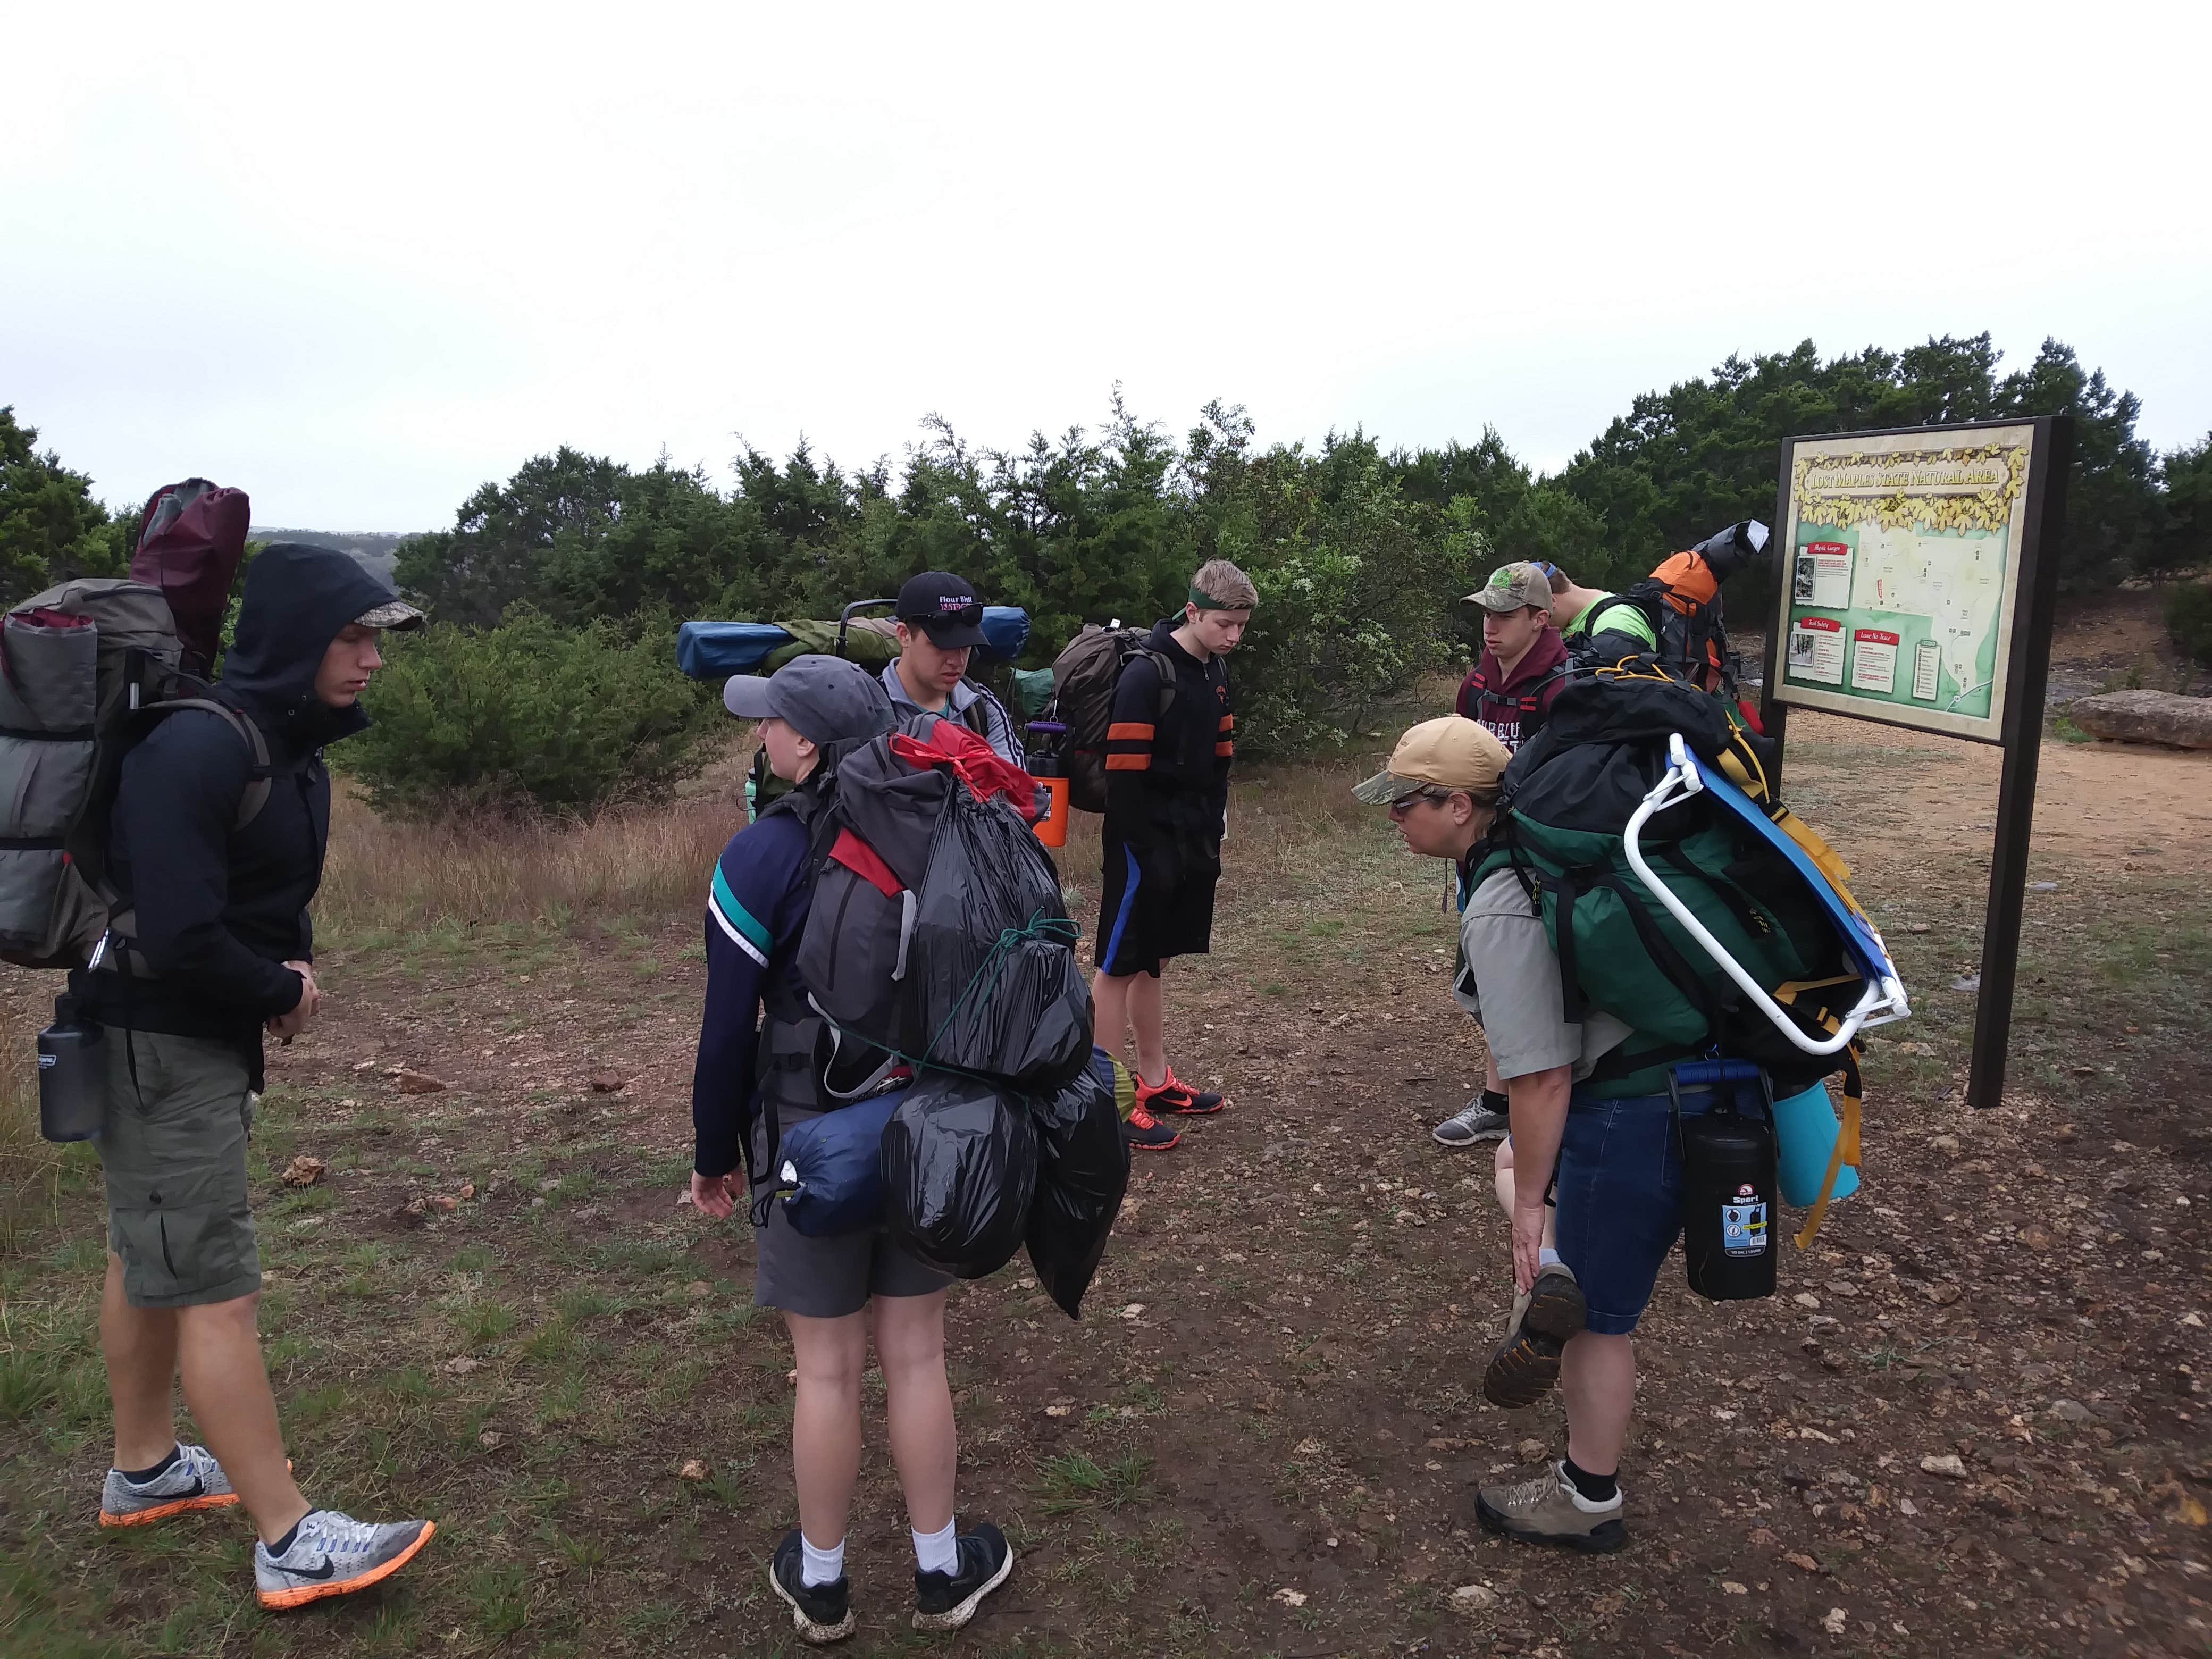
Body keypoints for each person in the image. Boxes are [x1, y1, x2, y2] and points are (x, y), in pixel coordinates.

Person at [69, 543, 435, 1608]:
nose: (370, 659)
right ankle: (289, 1537)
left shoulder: (278, 742)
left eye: (376, 639)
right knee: (213, 1288)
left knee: (150, 1251)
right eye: (352, 636)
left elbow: (251, 893)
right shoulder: (196, 748)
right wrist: (276, 993)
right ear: (293, 637)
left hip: (178, 1037)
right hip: (158, 1040)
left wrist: (283, 968)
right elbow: (182, 935)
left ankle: (145, 1471)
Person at [690, 655, 1013, 1645]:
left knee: (825, 1370)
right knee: (917, 1355)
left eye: (772, 723)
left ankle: (822, 1582)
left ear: (807, 743)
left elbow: (724, 1030)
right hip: (924, 1131)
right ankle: (940, 1567)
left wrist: (713, 1153)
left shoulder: (761, 855)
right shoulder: (941, 830)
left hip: (803, 1142)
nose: (760, 737)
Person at [1364, 714, 1714, 1555]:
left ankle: (1587, 1497)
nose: (1394, 819)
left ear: (1457, 805)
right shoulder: (1542, 848)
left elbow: (1540, 1075)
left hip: (1633, 1109)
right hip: (1677, 1078)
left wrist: (1528, 1209)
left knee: (1599, 1322)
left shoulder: (1502, 897)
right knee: (1521, 1161)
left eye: (1405, 804)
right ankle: (1551, 1279)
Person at [1092, 559, 1255, 1149]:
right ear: (1191, 611)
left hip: (1189, 835)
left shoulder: (1214, 672)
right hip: (1140, 839)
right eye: (1223, 624)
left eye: (1240, 626)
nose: (1232, 637)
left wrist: (1208, 834)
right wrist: (1143, 850)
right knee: (1116, 963)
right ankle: (1102, 1101)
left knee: (1153, 959)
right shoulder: (1146, 674)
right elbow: (1124, 778)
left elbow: (1220, 760)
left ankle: (1154, 1081)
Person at [879, 571, 1025, 766]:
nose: (957, 661)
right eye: (943, 646)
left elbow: (1014, 788)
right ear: (904, 635)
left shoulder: (982, 707)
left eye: (965, 646)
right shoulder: (869, 707)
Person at [1453, 560, 1569, 755]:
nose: (1490, 629)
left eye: (1506, 617)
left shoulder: (1561, 691)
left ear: (1539, 620)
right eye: (1488, 614)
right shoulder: (1474, 685)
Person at [1539, 563, 1661, 661]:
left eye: (1540, 616)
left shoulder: (1618, 621)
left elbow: (1631, 687)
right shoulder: (1567, 622)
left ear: (1551, 601)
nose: (1539, 624)